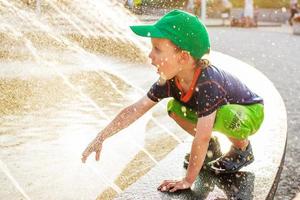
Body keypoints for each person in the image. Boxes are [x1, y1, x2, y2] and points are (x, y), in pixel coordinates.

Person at [81, 10, 264, 192]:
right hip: (225, 115)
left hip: (250, 112)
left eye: (157, 49)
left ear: (183, 57)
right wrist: (102, 136)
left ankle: (242, 150)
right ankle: (211, 149)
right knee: (174, 108)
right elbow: (136, 109)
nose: (150, 55)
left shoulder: (208, 81)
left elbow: (202, 134)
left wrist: (187, 180)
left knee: (223, 116)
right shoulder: (170, 81)